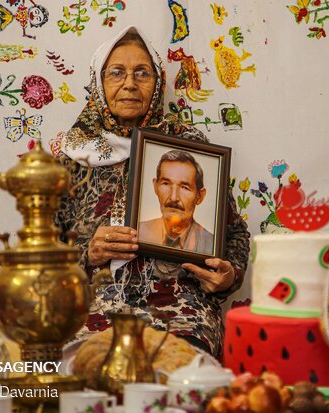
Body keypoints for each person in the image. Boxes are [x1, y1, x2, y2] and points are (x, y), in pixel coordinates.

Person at [55, 25, 249, 357]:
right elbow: (39, 252)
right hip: (94, 309)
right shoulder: (72, 159)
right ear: (99, 83)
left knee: (181, 382)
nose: (129, 83)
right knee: (85, 378)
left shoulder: (189, 145)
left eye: (141, 73)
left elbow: (234, 234)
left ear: (157, 83)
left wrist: (228, 276)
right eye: (117, 72)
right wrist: (89, 253)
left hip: (181, 310)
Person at [139, 149, 214, 255]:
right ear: (155, 187)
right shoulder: (137, 233)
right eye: (166, 183)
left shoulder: (211, 246)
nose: (173, 198)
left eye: (185, 187)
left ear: (200, 196)